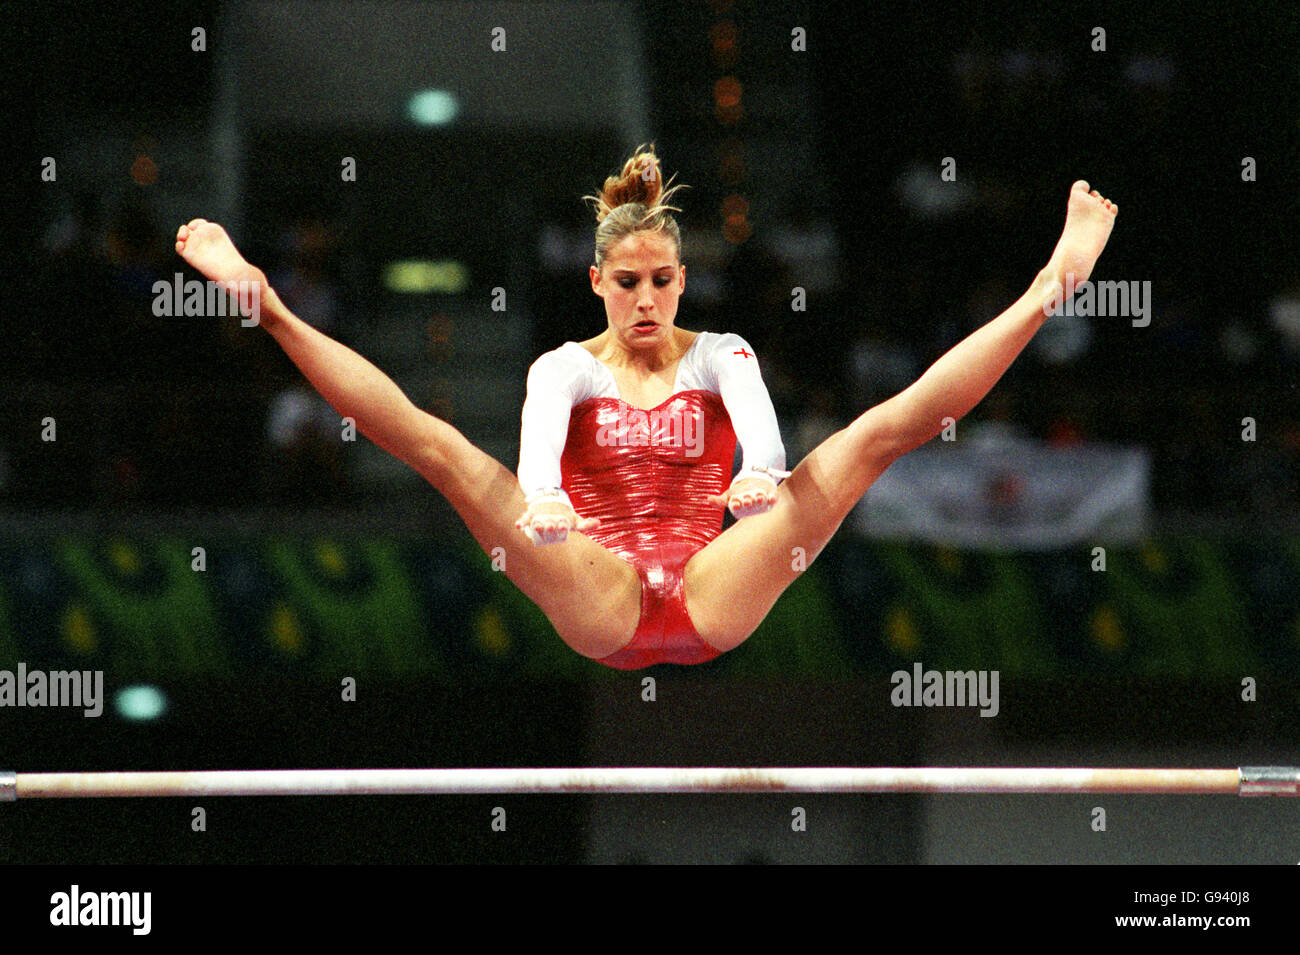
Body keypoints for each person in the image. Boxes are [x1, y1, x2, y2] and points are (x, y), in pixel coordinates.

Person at [174, 144, 1116, 669]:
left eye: (662, 280)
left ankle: (1045, 289)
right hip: (601, 591)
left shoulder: (722, 353)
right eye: (626, 282)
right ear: (596, 279)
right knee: (448, 454)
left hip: (713, 587)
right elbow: (537, 448)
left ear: (682, 278)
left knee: (874, 438)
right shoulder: (562, 367)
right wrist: (540, 498)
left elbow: (763, 431)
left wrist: (757, 476)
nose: (645, 300)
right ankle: (270, 305)